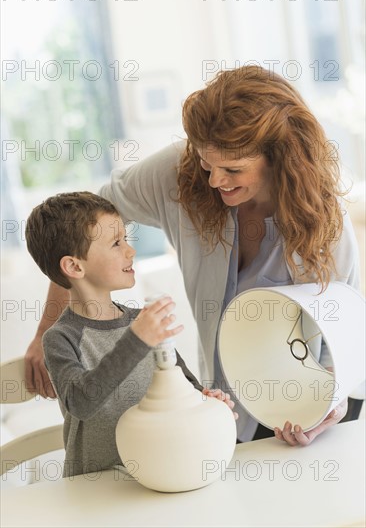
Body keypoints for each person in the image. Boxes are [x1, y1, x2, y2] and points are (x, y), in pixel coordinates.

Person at [25, 65, 360, 447]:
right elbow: (73, 232)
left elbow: (347, 338)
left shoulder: (323, 222)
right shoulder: (176, 172)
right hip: (225, 411)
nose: (215, 180)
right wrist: (46, 332)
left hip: (304, 412)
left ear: (280, 158)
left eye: (233, 168)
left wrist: (328, 411)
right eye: (206, 163)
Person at [25, 191, 236, 477]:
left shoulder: (141, 322)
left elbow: (182, 382)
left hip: (157, 473)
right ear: (74, 266)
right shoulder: (61, 338)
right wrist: (137, 339)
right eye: (116, 243)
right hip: (95, 487)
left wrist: (207, 402)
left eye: (125, 239)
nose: (130, 250)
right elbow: (81, 402)